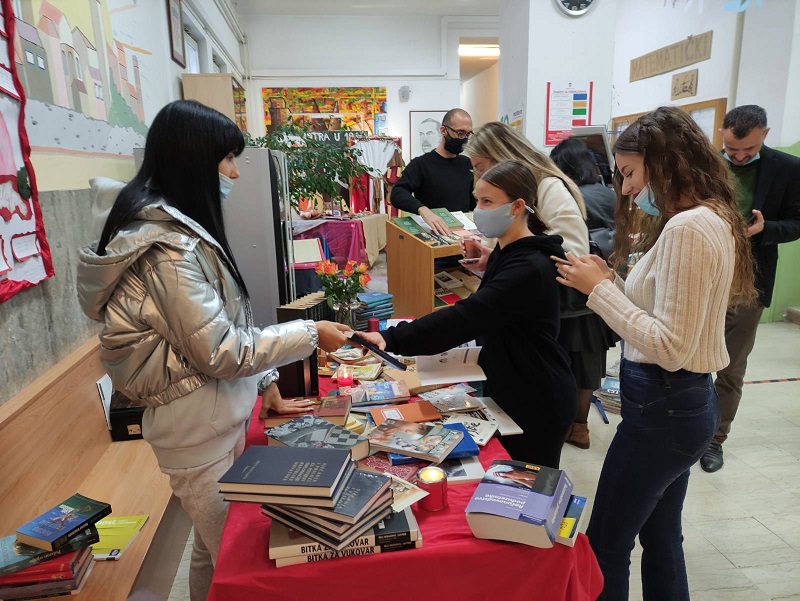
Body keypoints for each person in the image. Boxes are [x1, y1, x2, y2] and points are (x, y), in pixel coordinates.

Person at [76, 100, 351, 601]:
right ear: (193, 160)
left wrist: (265, 386)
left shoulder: (182, 232)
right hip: (195, 432)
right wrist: (310, 333)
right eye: (227, 159)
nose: (235, 171)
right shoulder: (166, 250)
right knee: (238, 560)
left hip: (216, 416)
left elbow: (225, 321)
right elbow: (221, 350)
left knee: (212, 552)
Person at [553, 106, 756, 600]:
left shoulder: (689, 227)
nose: (624, 188)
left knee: (606, 542)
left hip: (665, 406)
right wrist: (610, 281)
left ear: (664, 165)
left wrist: (598, 293)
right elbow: (664, 309)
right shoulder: (699, 219)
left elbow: (669, 344)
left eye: (629, 174)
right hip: (675, 403)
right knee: (661, 535)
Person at [362, 160, 577, 469]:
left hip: (537, 397)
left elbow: (466, 317)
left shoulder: (528, 265)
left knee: (527, 492)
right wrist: (491, 265)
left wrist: (388, 337)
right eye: (477, 199)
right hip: (515, 384)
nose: (479, 209)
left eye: (488, 202)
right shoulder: (511, 251)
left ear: (518, 206)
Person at [464, 122, 607, 451]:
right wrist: (493, 258)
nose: (478, 176)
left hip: (556, 309)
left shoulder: (547, 186)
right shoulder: (516, 191)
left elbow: (572, 250)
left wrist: (516, 262)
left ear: (502, 156)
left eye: (482, 167)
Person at [700, 104, 800, 473]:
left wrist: (765, 229)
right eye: (733, 150)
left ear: (766, 135)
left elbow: (796, 223)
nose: (740, 157)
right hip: (703, 274)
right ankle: (690, 431)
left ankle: (715, 440)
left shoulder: (788, 169)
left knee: (731, 364)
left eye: (749, 151)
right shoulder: (705, 164)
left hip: (750, 283)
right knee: (690, 358)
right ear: (722, 135)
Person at [550, 136, 620, 449]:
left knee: (562, 362)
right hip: (602, 285)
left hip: (569, 286)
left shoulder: (565, 195)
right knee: (589, 364)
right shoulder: (609, 193)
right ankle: (581, 428)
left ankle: (561, 423)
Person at [391, 108, 475, 237]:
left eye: (468, 134)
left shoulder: (467, 164)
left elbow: (472, 201)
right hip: (433, 233)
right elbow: (397, 193)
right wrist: (423, 210)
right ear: (443, 130)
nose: (463, 139)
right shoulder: (420, 164)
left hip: (463, 234)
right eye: (460, 133)